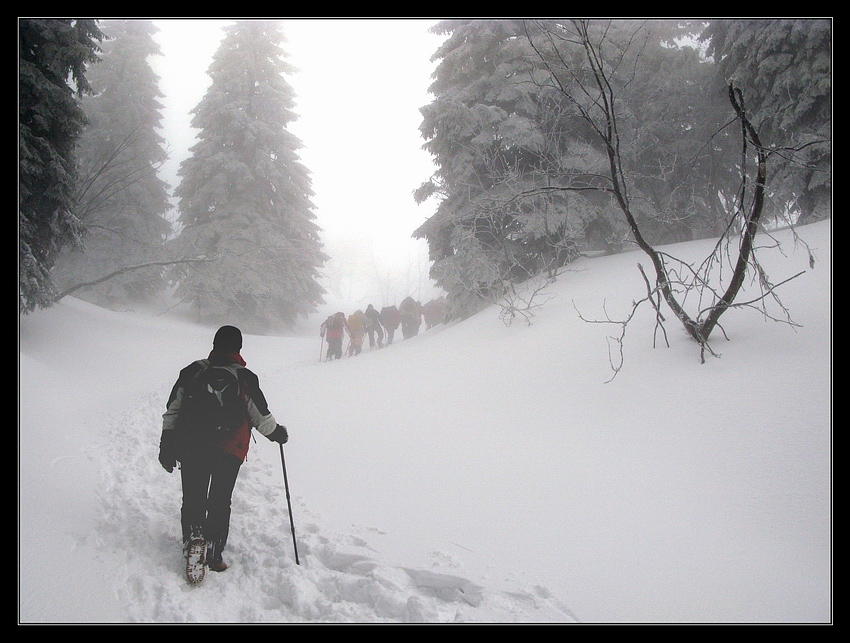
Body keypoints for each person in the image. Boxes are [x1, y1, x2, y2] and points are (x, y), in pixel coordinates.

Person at [158, 325, 289, 577]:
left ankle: (193, 540)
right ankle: (215, 552)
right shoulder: (244, 376)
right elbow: (260, 416)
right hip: (230, 449)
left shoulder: (193, 371)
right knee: (220, 499)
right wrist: (278, 434)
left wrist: (167, 444)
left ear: (215, 344)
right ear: (238, 348)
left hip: (192, 444)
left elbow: (172, 410)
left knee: (193, 496)